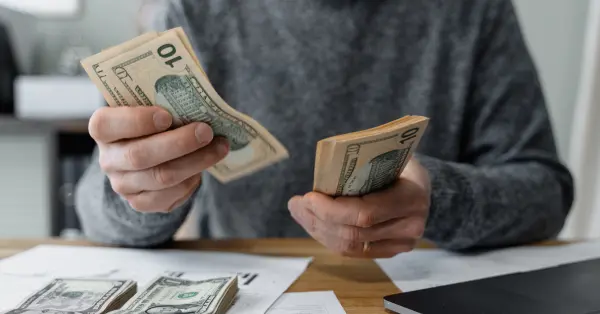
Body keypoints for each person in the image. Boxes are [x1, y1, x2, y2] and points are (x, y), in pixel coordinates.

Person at [75, 0, 574, 257]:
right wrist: (138, 194)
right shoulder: (190, 8)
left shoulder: (472, 9)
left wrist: (439, 201)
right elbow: (98, 206)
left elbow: (546, 191)